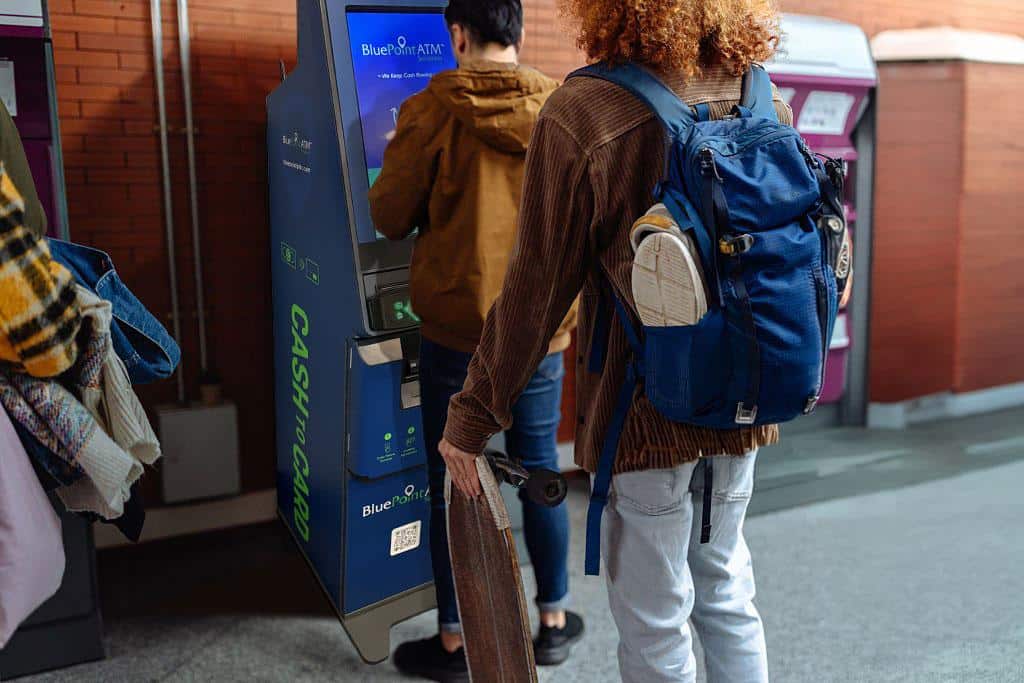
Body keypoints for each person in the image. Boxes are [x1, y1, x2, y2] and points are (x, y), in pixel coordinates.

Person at [438, 1, 796, 681]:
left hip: (646, 413)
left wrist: (471, 416)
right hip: (745, 399)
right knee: (726, 589)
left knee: (655, 615)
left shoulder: (589, 110)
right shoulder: (755, 86)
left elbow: (535, 291)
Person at [368, 1, 582, 680]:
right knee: (541, 467)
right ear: (513, 33)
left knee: (454, 478)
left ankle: (458, 639)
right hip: (540, 332)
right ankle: (551, 618)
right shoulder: (561, 108)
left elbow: (389, 213)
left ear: (459, 34)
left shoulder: (431, 109)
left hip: (456, 332)